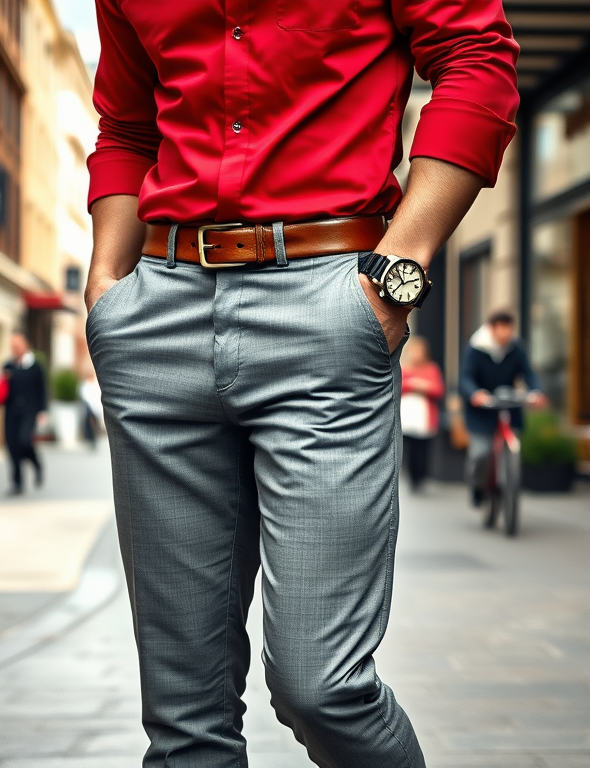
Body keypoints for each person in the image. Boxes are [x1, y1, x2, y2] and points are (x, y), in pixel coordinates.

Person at [85, 0, 519, 763]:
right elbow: (127, 124)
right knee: (184, 717)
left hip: (326, 301)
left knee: (324, 686)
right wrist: (106, 283)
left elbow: (477, 60)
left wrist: (398, 270)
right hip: (160, 306)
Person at [459, 310, 546, 507]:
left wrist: (537, 391)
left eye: (509, 328)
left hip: (508, 404)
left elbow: (528, 373)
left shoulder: (516, 348)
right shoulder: (477, 347)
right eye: (502, 328)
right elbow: (466, 377)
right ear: (492, 329)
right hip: (482, 409)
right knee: (480, 452)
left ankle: (508, 486)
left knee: (513, 444)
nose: (506, 333)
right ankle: (477, 486)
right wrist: (475, 394)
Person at [3, 333, 47, 495]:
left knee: (24, 441)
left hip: (30, 411)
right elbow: (2, 392)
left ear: (26, 345)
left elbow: (42, 389)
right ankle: (17, 483)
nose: (15, 349)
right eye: (13, 346)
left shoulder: (35, 366)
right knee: (12, 447)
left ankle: (36, 463)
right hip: (11, 412)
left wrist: (42, 411)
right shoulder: (8, 366)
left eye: (18, 345)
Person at [401, 337, 445, 492]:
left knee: (423, 449)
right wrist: (413, 385)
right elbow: (397, 387)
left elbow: (439, 390)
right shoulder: (403, 369)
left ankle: (422, 477)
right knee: (409, 449)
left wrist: (424, 387)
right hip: (407, 417)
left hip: (424, 418)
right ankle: (412, 478)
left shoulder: (432, 369)